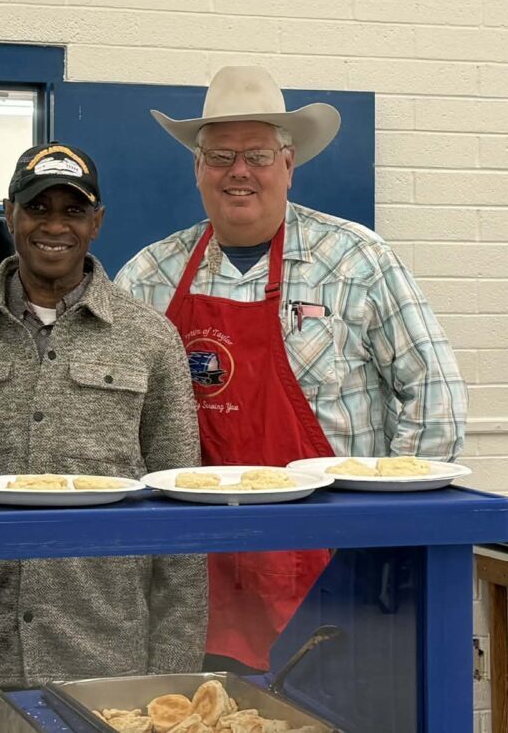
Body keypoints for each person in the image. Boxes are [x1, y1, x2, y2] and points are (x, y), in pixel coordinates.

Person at [115, 66, 468, 674]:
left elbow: (435, 396)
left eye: (256, 154)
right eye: (220, 155)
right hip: (197, 576)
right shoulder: (150, 276)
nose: (239, 172)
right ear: (197, 168)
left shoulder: (356, 259)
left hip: (338, 569)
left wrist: (389, 533)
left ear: (288, 163)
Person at [0, 143, 207, 690]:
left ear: (96, 222)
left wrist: (174, 673)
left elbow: (182, 511)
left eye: (73, 211)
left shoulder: (149, 337)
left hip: (106, 658)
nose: (54, 226)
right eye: (38, 208)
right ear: (10, 214)